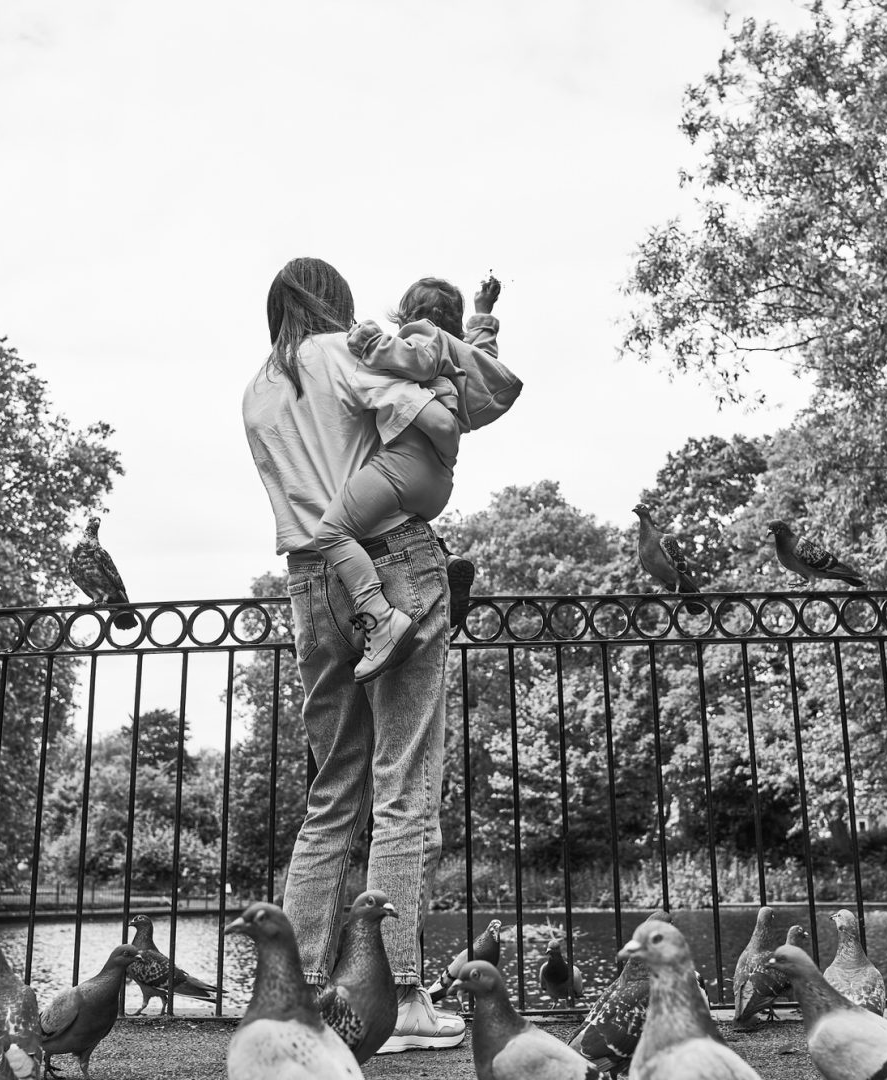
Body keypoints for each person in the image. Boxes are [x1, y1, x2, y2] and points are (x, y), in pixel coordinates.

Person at [241, 256, 463, 1052]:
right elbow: (436, 419)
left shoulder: (256, 392)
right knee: (404, 781)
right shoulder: (345, 353)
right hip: (391, 560)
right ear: (332, 304)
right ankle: (397, 995)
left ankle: (287, 996)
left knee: (333, 790)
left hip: (308, 583)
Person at [314, 274, 503, 674]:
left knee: (331, 533)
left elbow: (416, 358)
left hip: (404, 463)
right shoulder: (458, 357)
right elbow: (482, 354)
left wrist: (370, 342)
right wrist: (484, 315)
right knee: (394, 528)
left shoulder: (423, 338)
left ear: (409, 317)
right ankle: (444, 560)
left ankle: (381, 620)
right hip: (438, 481)